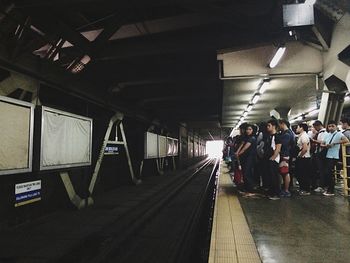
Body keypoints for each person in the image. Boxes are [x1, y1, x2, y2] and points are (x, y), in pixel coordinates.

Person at [320, 120, 349, 196]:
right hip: (326, 155)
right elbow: (322, 144)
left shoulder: (339, 134)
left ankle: (331, 190)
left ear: (336, 126)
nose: (331, 128)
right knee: (327, 172)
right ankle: (329, 188)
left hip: (334, 156)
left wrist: (335, 143)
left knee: (328, 172)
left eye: (333, 126)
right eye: (329, 126)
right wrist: (326, 146)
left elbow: (346, 140)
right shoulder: (327, 135)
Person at [236, 124, 257, 197]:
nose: (248, 131)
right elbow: (242, 145)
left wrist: (238, 153)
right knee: (245, 173)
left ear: (253, 130)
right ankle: (247, 189)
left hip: (250, 158)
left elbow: (245, 148)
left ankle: (250, 190)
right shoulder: (247, 138)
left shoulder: (252, 138)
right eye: (247, 129)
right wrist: (238, 153)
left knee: (247, 173)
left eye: (250, 129)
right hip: (245, 158)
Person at [265, 119, 282, 200]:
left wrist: (273, 158)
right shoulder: (269, 136)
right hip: (270, 158)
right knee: (270, 176)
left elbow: (278, 148)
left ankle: (276, 194)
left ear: (274, 126)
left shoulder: (277, 136)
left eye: (269, 126)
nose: (267, 127)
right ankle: (272, 192)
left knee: (274, 176)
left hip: (274, 160)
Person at [278, 119, 294, 197]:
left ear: (282, 124)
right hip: (287, 155)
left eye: (279, 125)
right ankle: (285, 189)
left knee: (285, 172)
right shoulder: (289, 133)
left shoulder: (287, 134)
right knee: (284, 172)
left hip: (284, 155)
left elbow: (283, 145)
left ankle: (286, 190)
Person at [295, 123, 312, 195]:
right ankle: (303, 189)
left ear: (301, 128)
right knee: (300, 174)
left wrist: (299, 156)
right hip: (303, 157)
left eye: (297, 127)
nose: (296, 129)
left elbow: (305, 149)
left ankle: (306, 190)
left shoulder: (304, 136)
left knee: (303, 174)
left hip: (304, 158)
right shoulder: (301, 136)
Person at [311, 120, 327, 192]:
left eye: (315, 127)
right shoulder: (319, 133)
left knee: (321, 170)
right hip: (318, 153)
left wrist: (313, 141)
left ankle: (322, 186)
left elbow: (323, 142)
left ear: (318, 126)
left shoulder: (323, 133)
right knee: (319, 170)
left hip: (321, 153)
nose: (315, 129)